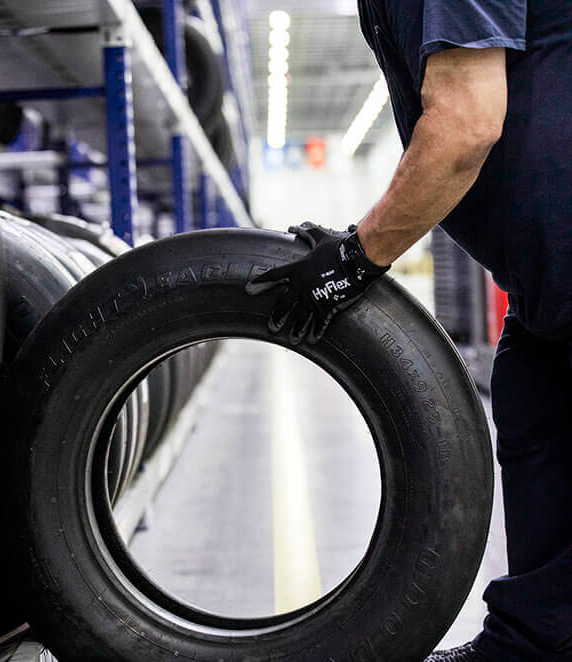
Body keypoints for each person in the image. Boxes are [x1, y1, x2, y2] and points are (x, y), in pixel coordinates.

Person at [247, 1, 572, 660]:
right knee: (538, 432)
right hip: (546, 286)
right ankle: (533, 645)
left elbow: (466, 123)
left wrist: (355, 258)